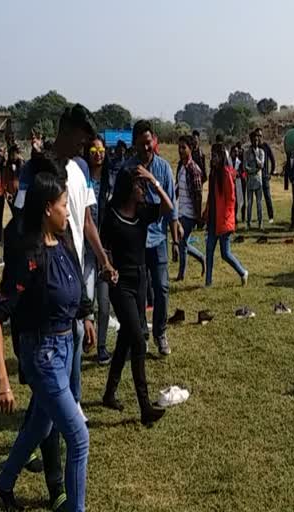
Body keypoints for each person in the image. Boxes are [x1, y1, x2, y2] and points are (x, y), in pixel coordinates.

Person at [0, 170, 95, 512]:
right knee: (78, 438)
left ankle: (4, 483)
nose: (68, 211)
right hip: (42, 356)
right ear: (48, 208)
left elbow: (71, 291)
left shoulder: (61, 244)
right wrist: (3, 382)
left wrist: (85, 318)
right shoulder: (30, 257)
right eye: (63, 205)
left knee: (39, 426)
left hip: (66, 348)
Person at [15, 104, 117, 421]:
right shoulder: (36, 171)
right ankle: (58, 428)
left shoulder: (82, 169)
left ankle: (68, 413)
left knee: (71, 345)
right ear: (65, 131)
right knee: (50, 360)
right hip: (44, 278)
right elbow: (20, 223)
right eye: (80, 138)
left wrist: (102, 260)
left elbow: (86, 221)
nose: (83, 146)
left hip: (71, 270)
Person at [100, 164, 169, 425]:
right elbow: (103, 247)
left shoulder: (142, 212)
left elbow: (168, 208)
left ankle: (109, 393)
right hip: (121, 283)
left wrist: (154, 181)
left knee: (126, 339)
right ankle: (145, 408)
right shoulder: (112, 215)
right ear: (130, 189)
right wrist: (107, 267)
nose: (143, 190)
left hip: (141, 280)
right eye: (140, 186)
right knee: (139, 340)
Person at [121, 120, 179, 356]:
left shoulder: (163, 168)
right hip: (134, 242)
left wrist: (175, 240)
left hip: (158, 240)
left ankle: (160, 332)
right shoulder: (127, 169)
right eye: (142, 144)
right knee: (139, 291)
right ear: (134, 144)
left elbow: (171, 207)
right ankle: (142, 335)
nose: (147, 148)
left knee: (162, 288)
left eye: (150, 143)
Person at [84, 136, 114, 366]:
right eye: (94, 149)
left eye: (101, 149)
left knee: (104, 303)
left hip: (105, 250)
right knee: (87, 300)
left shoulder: (110, 180)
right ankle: (85, 340)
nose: (98, 153)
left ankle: (102, 347)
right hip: (85, 251)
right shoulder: (81, 179)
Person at [201, 143, 249, 287]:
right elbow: (211, 196)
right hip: (212, 220)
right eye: (212, 155)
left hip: (224, 221)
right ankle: (208, 282)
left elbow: (231, 199)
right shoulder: (213, 174)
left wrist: (228, 219)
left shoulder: (226, 174)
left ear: (221, 157)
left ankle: (242, 272)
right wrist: (206, 212)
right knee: (209, 250)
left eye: (215, 156)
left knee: (225, 254)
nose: (213, 158)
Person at [174, 135, 206, 281]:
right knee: (184, 243)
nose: (180, 151)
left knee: (181, 242)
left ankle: (181, 275)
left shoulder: (194, 170)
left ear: (190, 149)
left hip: (190, 214)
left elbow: (198, 195)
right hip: (180, 211)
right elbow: (178, 188)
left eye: (183, 148)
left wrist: (198, 216)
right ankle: (201, 258)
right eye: (179, 147)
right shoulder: (181, 167)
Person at [243, 130, 266, 231]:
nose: (255, 142)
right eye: (253, 140)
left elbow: (261, 165)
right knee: (249, 203)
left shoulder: (261, 152)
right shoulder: (246, 152)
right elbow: (245, 166)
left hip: (258, 181)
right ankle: (248, 223)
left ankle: (260, 223)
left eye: (257, 140)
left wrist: (256, 158)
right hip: (250, 181)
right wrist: (253, 170)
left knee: (259, 203)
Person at [255, 128, 276, 223]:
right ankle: (260, 217)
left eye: (260, 135)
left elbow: (272, 159)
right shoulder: (254, 148)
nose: (258, 137)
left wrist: (271, 172)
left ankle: (271, 216)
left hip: (264, 176)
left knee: (267, 196)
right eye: (257, 135)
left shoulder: (265, 146)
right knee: (258, 198)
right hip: (256, 176)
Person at [4, 145, 22, 214]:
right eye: (12, 155)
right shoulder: (7, 166)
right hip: (10, 194)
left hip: (20, 194)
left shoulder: (22, 164)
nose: (13, 156)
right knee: (15, 214)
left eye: (15, 154)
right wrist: (7, 192)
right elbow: (5, 179)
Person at [230, 144, 244, 220]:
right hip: (229, 184)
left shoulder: (240, 162)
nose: (236, 153)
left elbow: (244, 173)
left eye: (237, 152)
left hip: (237, 183)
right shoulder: (228, 161)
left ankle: (235, 216)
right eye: (234, 151)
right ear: (231, 152)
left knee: (236, 201)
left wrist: (240, 174)